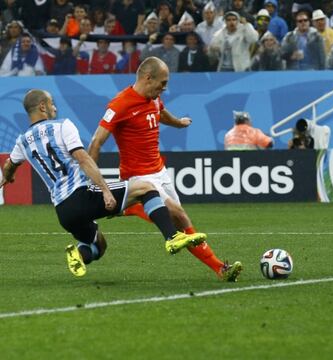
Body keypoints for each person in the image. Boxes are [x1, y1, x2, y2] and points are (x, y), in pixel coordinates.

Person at [0, 89, 208, 277]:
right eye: (52, 102)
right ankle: (172, 237)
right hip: (81, 196)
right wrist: (105, 190)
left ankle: (80, 254)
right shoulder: (62, 126)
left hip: (63, 212)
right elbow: (84, 159)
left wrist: (7, 178)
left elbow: (10, 165)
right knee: (146, 187)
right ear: (42, 106)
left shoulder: (22, 141)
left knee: (99, 244)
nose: (55, 107)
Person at [87, 57, 243, 282]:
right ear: (147, 78)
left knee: (180, 223)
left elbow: (160, 112)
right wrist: (94, 183)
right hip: (139, 177)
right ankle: (220, 268)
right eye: (162, 83)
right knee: (179, 215)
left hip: (160, 172)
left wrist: (178, 123)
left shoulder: (154, 98)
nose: (165, 88)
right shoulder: (120, 104)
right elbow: (96, 142)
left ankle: (130, 207)